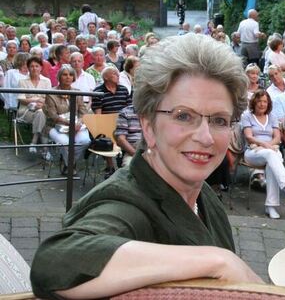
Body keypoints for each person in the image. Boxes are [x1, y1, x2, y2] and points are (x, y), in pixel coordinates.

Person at [31, 33, 263, 299]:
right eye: (184, 116)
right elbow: (55, 262)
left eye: (220, 120)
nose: (205, 137)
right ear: (148, 126)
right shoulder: (128, 204)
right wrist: (215, 261)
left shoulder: (202, 196)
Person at [242, 90, 285, 219]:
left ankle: (271, 206)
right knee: (271, 155)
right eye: (259, 101)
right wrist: (266, 145)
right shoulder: (247, 116)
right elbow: (249, 137)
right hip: (253, 152)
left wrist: (269, 145)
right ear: (254, 102)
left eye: (265, 101)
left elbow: (278, 138)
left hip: (271, 151)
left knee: (271, 164)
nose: (262, 104)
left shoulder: (272, 117)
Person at [43, 65, 91, 174]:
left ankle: (67, 163)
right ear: (59, 77)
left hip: (76, 125)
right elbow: (53, 116)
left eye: (70, 75)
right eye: (64, 74)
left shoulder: (77, 92)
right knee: (65, 143)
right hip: (55, 126)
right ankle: (71, 165)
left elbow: (83, 112)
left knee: (85, 141)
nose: (68, 77)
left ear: (73, 77)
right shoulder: (51, 93)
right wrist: (70, 123)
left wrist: (79, 122)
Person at [17, 56, 50, 154]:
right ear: (28, 68)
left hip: (42, 110)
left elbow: (49, 99)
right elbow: (21, 99)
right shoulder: (22, 81)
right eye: (31, 66)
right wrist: (37, 100)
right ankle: (45, 150)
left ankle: (34, 142)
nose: (34, 68)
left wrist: (40, 104)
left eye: (37, 66)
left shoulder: (46, 81)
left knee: (41, 113)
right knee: (42, 115)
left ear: (41, 68)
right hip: (26, 111)